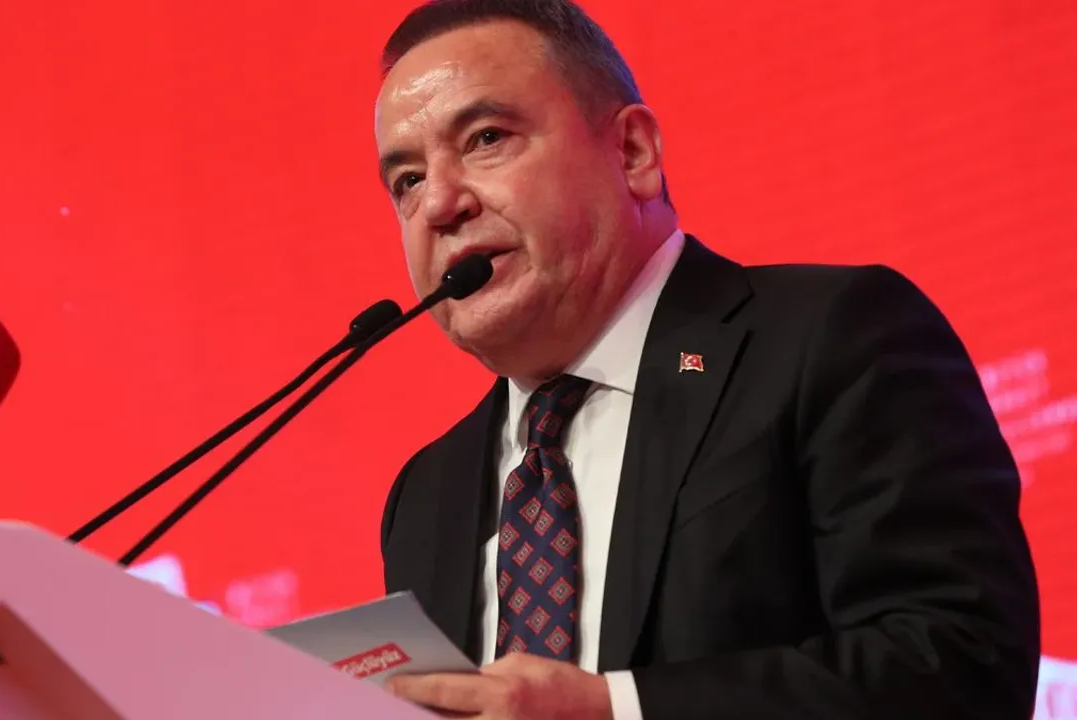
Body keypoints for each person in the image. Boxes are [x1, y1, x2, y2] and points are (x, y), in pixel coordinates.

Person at [373, 0, 1041, 718]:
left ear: (633, 152)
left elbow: (958, 664)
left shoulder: (832, 339)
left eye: (486, 138)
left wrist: (614, 711)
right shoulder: (427, 494)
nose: (439, 203)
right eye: (407, 180)